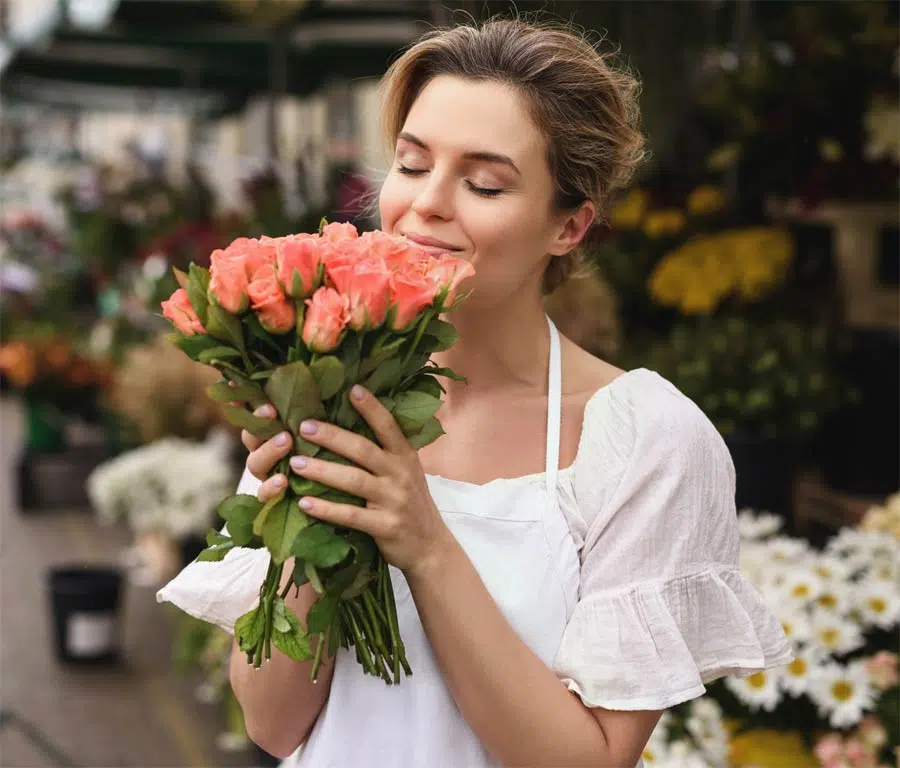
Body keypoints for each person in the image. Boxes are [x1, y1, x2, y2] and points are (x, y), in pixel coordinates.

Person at [158, 17, 792, 768]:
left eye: (485, 182)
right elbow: (273, 723)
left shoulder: (648, 441)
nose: (427, 203)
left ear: (570, 226)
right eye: (412, 163)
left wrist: (426, 546)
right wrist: (300, 516)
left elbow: (586, 761)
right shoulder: (327, 382)